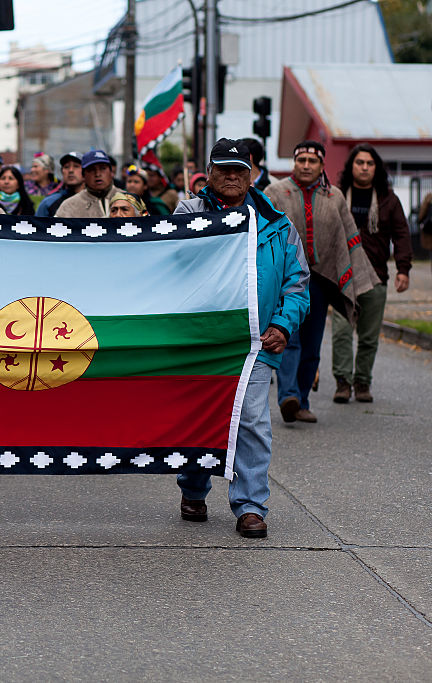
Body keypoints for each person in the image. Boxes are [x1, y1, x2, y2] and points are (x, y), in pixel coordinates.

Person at [175, 138, 310, 539]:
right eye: (223, 169)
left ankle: (250, 506)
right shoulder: (187, 214)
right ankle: (194, 488)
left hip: (255, 342)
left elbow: (297, 284)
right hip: (200, 340)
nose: (232, 176)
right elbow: (170, 265)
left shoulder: (277, 224)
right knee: (201, 418)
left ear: (252, 174)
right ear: (210, 172)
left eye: (239, 170)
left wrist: (283, 325)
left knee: (251, 421)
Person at [264, 140, 379, 424]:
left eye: (312, 161)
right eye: (301, 160)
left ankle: (302, 400)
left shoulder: (334, 197)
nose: (306, 165)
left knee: (312, 345)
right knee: (288, 337)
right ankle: (288, 396)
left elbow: (347, 239)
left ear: (321, 165)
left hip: (320, 280)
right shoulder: (275, 192)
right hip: (284, 280)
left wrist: (358, 279)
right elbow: (261, 233)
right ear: (294, 162)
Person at [330, 144, 412, 403]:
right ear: (351, 166)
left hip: (376, 276)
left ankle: (362, 382)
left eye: (369, 163)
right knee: (342, 331)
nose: (364, 167)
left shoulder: (389, 199)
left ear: (376, 168)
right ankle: (343, 382)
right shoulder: (337, 196)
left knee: (368, 335)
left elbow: (401, 234)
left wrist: (403, 269)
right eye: (359, 162)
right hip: (343, 276)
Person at [56, 149, 119, 218]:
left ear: (111, 173)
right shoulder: (69, 206)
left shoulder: (128, 200)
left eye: (103, 168)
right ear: (83, 176)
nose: (97, 174)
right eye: (91, 170)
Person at [36, 151, 84, 217]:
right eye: (66, 167)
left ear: (85, 171)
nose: (70, 170)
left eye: (76, 166)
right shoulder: (48, 203)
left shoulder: (96, 200)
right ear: (62, 172)